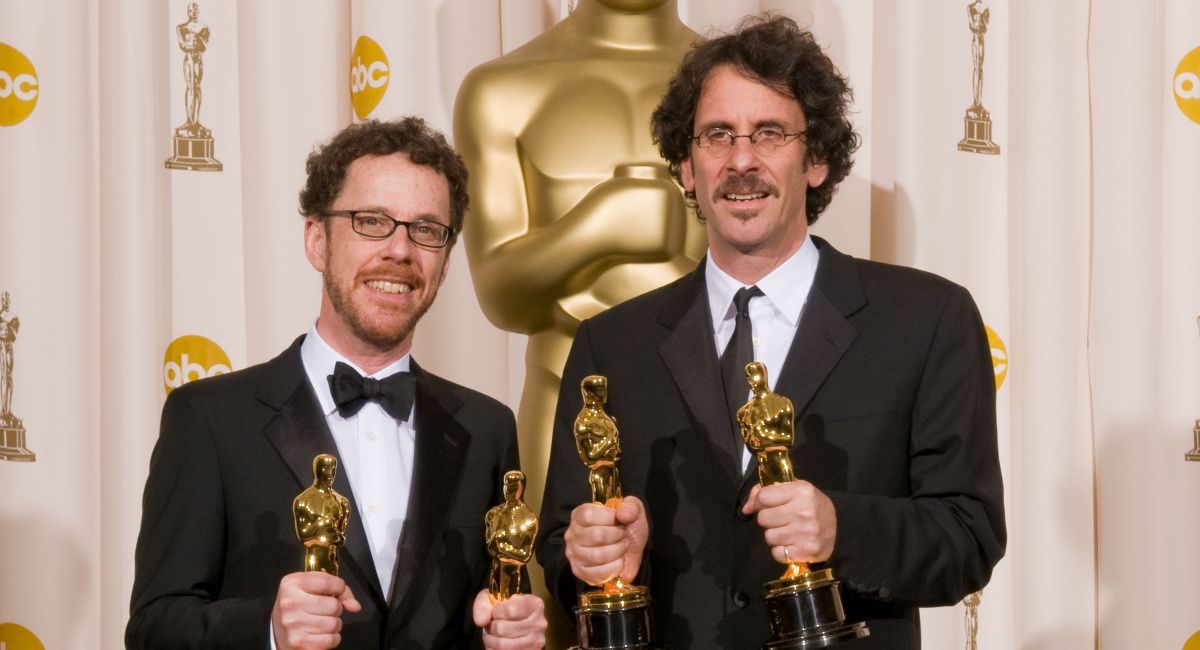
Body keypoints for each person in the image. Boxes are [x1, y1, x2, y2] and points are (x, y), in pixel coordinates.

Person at [538, 14, 1006, 649]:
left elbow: (968, 534)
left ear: (816, 160)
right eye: (716, 136)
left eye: (769, 133)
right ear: (685, 166)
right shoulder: (610, 346)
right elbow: (561, 551)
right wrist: (596, 561)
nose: (741, 161)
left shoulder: (927, 320)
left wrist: (842, 527)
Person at [128, 117, 546, 649]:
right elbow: (152, 630)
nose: (400, 250)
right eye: (372, 221)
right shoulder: (210, 419)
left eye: (425, 230)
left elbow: (498, 603)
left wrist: (510, 637)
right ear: (316, 240)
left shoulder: (487, 428)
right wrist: (269, 630)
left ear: (443, 263)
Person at [484, 471, 539, 602]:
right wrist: (497, 545)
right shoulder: (494, 514)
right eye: (506, 484)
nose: (509, 489)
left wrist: (502, 547)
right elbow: (490, 545)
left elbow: (525, 555)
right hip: (494, 577)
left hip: (512, 579)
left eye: (514, 485)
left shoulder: (528, 519)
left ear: (522, 487)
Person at [176, 2, 210, 136]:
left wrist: (196, 39)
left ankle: (195, 121)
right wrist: (193, 41)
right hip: (189, 58)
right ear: (188, 11)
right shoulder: (181, 28)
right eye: (191, 9)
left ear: (198, 11)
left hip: (198, 58)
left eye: (195, 9)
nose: (193, 12)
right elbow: (183, 45)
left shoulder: (204, 27)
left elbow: (204, 46)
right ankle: (190, 121)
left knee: (197, 86)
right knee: (190, 87)